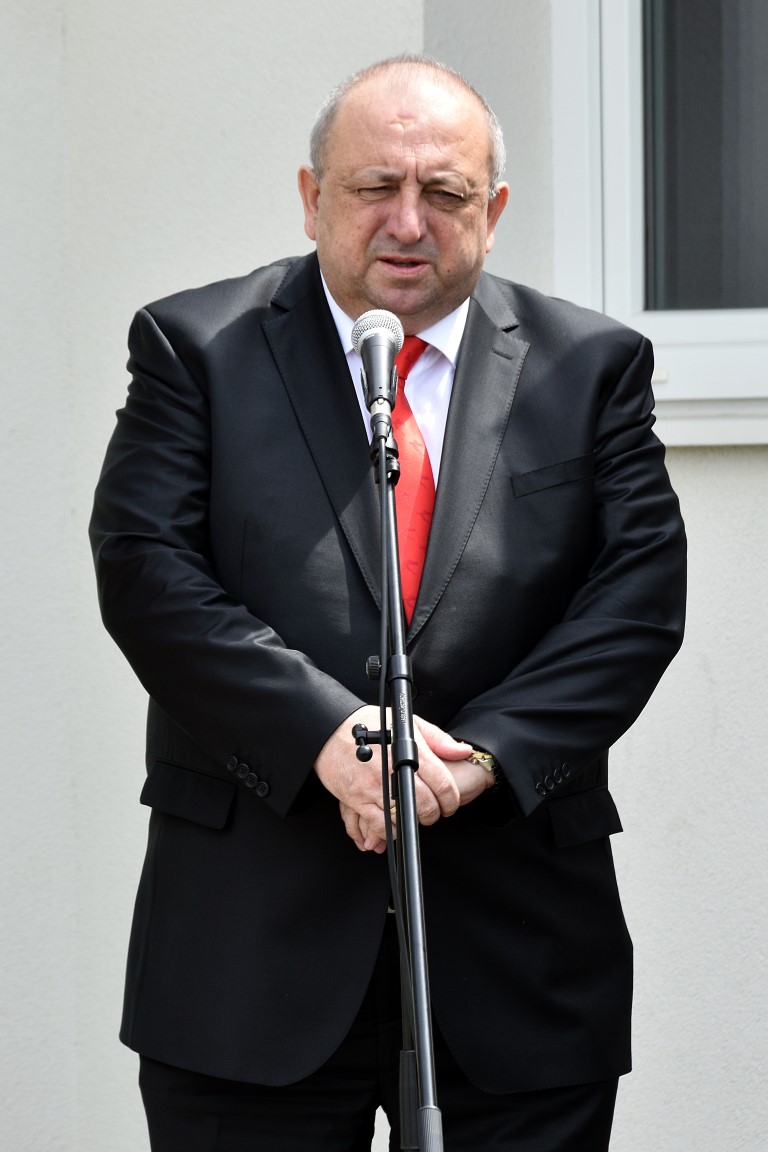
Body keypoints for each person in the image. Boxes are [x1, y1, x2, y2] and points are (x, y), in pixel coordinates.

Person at [90, 54, 686, 1152]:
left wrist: (480, 760)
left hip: (516, 952)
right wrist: (328, 739)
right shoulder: (196, 349)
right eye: (375, 187)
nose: (408, 222)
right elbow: (148, 571)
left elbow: (637, 599)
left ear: (492, 213)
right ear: (312, 195)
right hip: (247, 952)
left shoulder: (592, 367)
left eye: (445, 193)